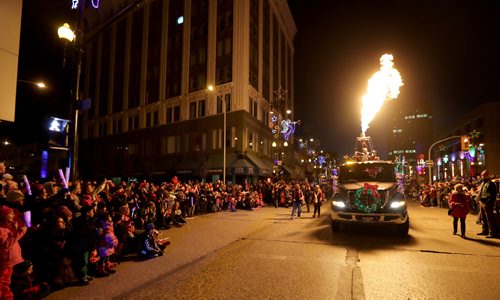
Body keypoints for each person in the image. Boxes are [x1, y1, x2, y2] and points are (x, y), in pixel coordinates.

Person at [0, 205, 28, 299]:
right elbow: (6, 243)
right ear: (3, 216)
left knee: (6, 283)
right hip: (4, 263)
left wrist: (15, 228)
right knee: (2, 283)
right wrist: (20, 232)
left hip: (9, 262)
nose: (13, 215)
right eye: (10, 213)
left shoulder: (6, 227)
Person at [475, 170, 498, 238]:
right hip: (482, 202)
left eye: (483, 175)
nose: (482, 177)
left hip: (488, 203)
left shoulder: (491, 184)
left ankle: (492, 233)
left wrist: (488, 202)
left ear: (487, 175)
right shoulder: (484, 183)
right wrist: (478, 199)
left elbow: (493, 195)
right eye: (482, 175)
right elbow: (481, 192)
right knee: (483, 218)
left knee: (489, 218)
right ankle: (485, 231)